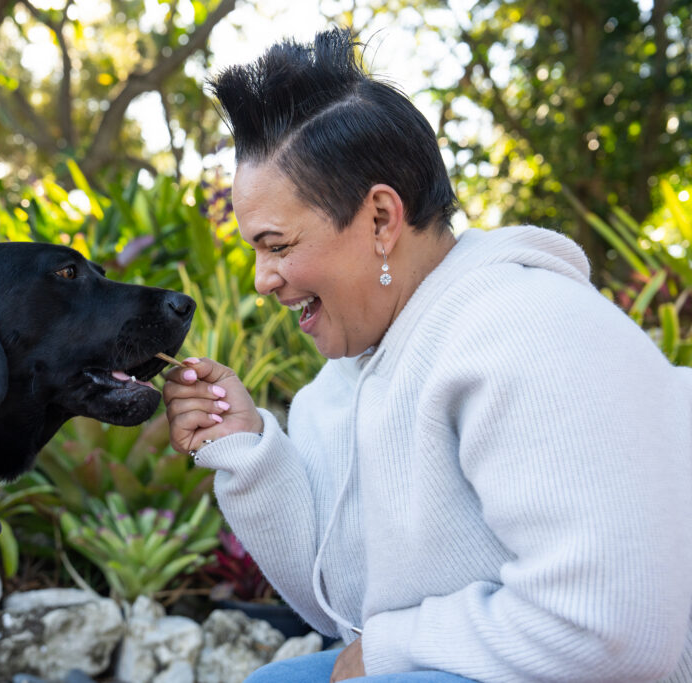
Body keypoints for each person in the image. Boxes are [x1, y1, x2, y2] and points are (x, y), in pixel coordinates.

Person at [162, 27, 692, 683]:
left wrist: (389, 651)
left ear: (381, 218)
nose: (261, 280)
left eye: (276, 245)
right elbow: (343, 609)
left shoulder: (534, 329)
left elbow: (613, 627)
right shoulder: (339, 385)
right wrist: (246, 452)